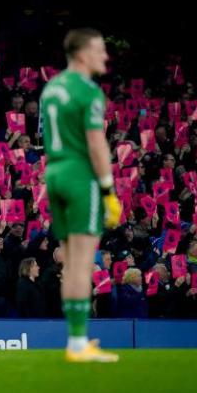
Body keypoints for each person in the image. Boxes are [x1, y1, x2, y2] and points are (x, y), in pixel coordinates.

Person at [40, 27, 121, 362]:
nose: (105, 56)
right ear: (82, 53)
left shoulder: (51, 88)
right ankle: (77, 343)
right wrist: (108, 190)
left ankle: (75, 341)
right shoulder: (88, 92)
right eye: (100, 50)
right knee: (81, 264)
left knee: (69, 260)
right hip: (78, 175)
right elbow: (96, 143)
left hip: (53, 173)